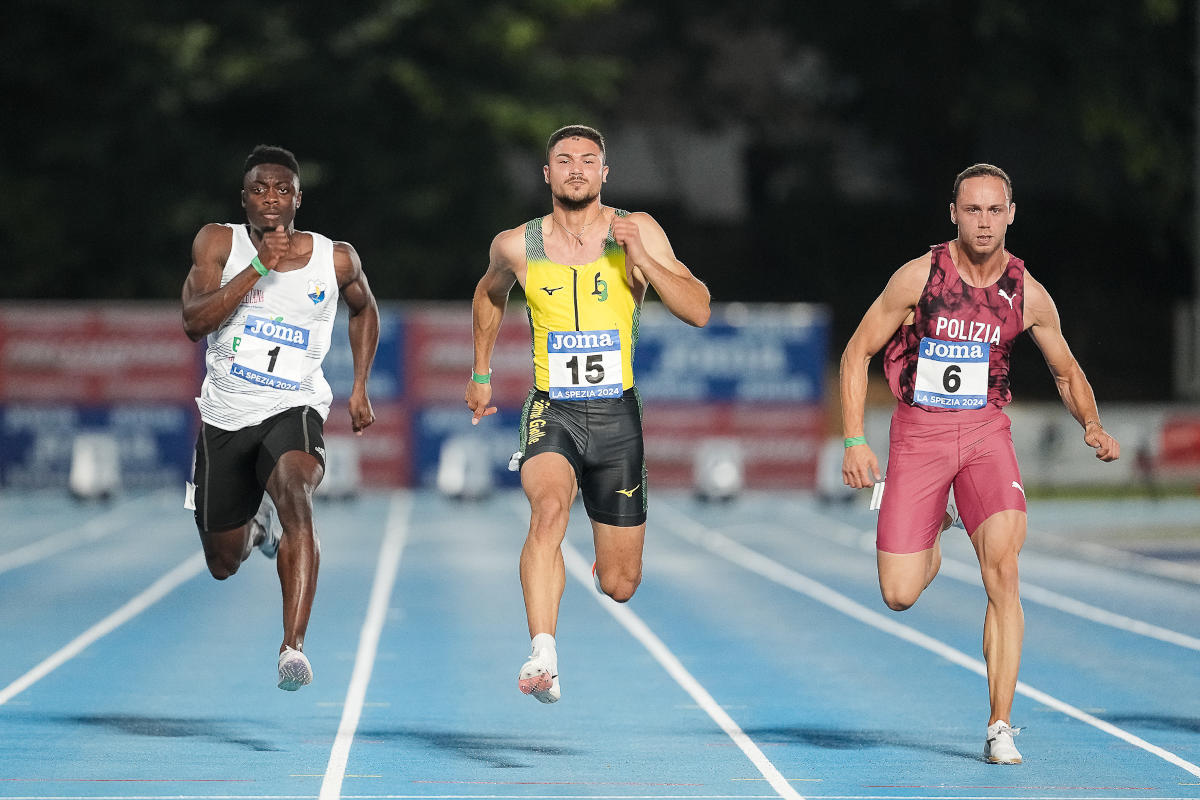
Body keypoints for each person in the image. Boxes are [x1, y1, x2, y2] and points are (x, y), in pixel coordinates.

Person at [839, 163, 1120, 764]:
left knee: (1004, 568)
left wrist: (1091, 424)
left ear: (1011, 214)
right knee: (899, 592)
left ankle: (999, 724)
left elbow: (1066, 371)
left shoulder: (1027, 293)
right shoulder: (919, 278)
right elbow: (857, 350)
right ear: (954, 214)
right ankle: (932, 529)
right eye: (973, 210)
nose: (984, 221)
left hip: (987, 434)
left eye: (995, 210)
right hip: (918, 435)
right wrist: (854, 439)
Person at [465, 125, 711, 703]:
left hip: (616, 418)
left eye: (589, 160)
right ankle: (543, 651)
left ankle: (594, 566)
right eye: (564, 160)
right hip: (551, 409)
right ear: (547, 175)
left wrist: (644, 256)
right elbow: (488, 293)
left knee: (621, 584)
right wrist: (481, 372)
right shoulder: (515, 245)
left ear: (605, 173)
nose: (577, 169)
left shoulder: (637, 229)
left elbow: (698, 308)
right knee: (548, 512)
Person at [181, 145, 379, 691]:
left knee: (297, 491)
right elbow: (194, 322)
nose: (272, 198)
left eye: (283, 189)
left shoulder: (334, 258)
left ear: (298, 198)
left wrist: (359, 384)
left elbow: (363, 308)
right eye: (260, 189)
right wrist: (260, 266)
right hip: (225, 413)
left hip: (294, 405)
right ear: (244, 197)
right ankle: (256, 529)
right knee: (224, 561)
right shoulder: (217, 242)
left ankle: (293, 647)